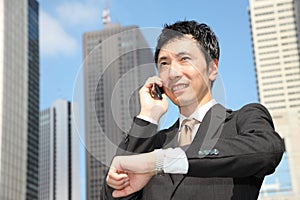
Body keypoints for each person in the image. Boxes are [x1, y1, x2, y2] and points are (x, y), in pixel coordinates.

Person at [101, 20, 285, 200]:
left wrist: (160, 161)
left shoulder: (242, 120)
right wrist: (148, 116)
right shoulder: (154, 142)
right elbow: (113, 196)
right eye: (164, 63)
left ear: (212, 68)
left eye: (184, 59)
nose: (173, 73)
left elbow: (267, 151)